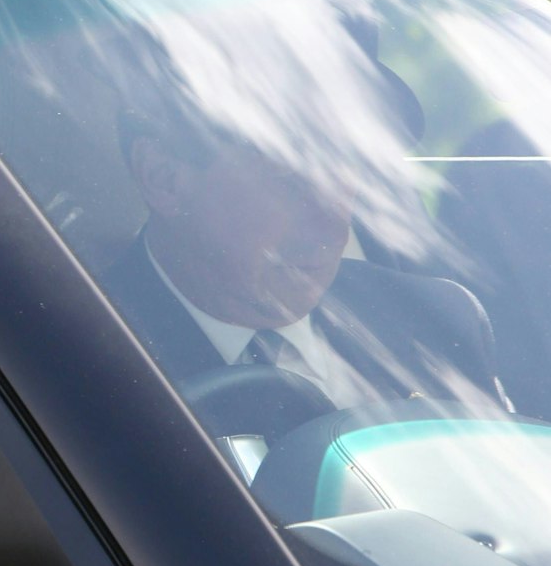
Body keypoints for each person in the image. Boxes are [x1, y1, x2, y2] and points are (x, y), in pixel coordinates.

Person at [104, 97, 507, 415]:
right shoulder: (81, 372)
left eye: (344, 174)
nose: (331, 224)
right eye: (289, 180)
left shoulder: (440, 321)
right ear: (165, 180)